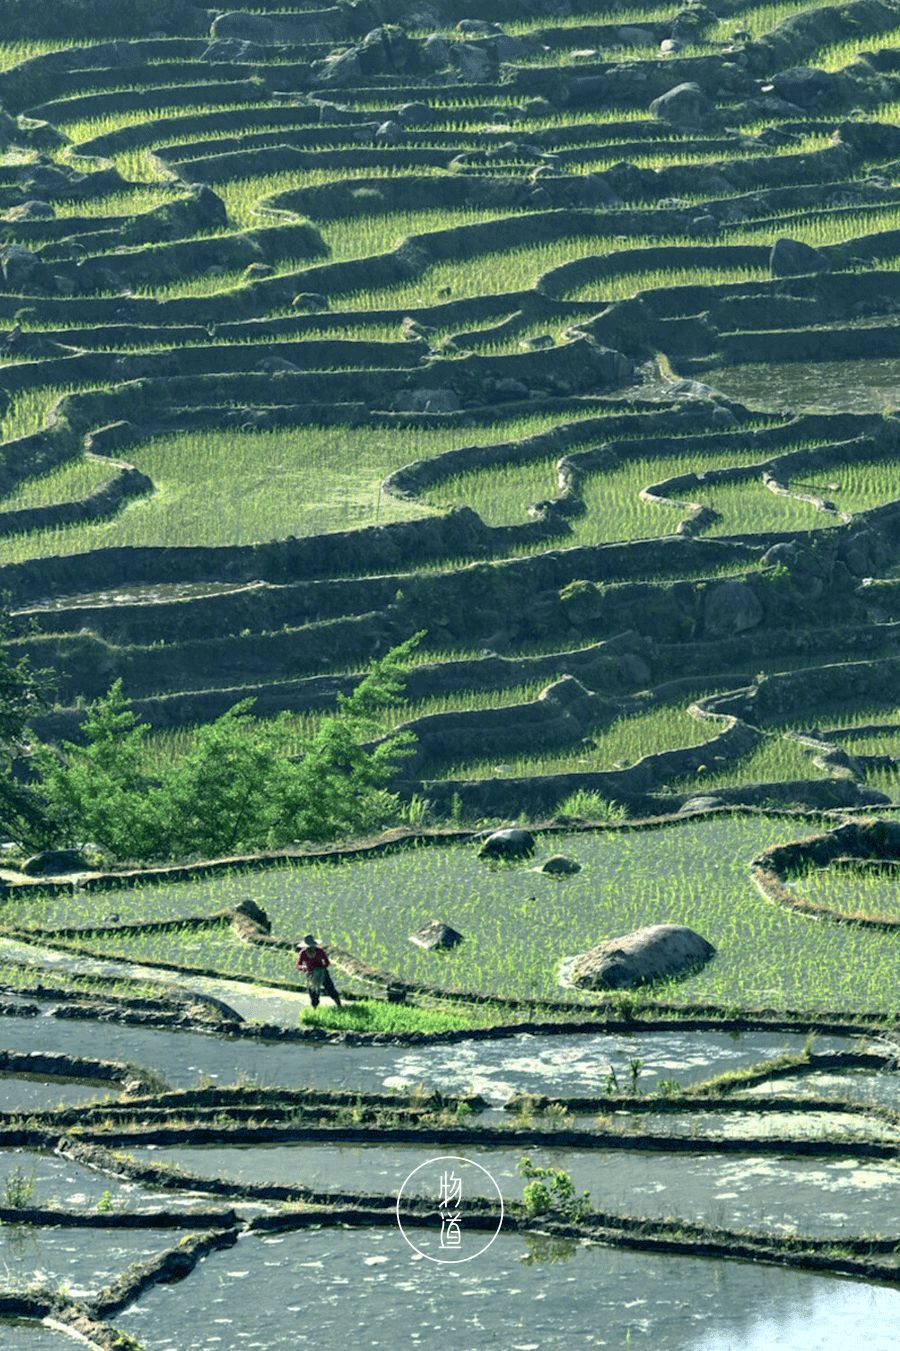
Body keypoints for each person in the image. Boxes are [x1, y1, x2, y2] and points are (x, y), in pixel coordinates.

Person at [296, 933, 342, 1008]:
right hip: (311, 975)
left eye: (312, 946)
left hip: (322, 974)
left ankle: (339, 1006)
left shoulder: (320, 951)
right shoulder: (303, 953)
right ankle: (315, 1009)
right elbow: (298, 965)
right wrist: (303, 967)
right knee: (313, 994)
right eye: (309, 946)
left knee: (330, 989)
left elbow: (327, 962)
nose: (311, 947)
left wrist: (321, 969)